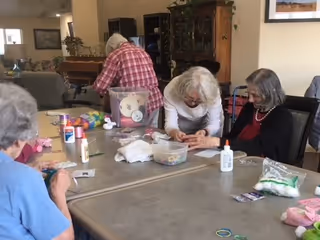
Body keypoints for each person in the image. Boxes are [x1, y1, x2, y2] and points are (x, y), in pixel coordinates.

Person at [0, 82, 74, 240]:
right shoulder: (21, 180)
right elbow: (64, 239)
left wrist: (25, 171)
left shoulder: (20, 177)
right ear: (18, 140)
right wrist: (58, 194)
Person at [184, 68, 293, 164]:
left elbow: (259, 147)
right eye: (248, 93)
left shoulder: (282, 117)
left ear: (270, 93)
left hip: (262, 165)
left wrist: (218, 142)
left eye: (255, 95)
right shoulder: (250, 107)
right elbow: (233, 135)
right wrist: (207, 138)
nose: (250, 99)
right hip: (238, 157)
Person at [93, 33, 163, 128]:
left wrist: (111, 91)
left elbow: (100, 87)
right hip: (154, 101)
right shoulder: (143, 51)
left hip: (132, 106)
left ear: (112, 48)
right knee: (151, 137)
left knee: (131, 139)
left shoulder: (115, 55)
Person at [164, 66, 223, 141]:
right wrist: (175, 132)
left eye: (199, 100)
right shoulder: (171, 90)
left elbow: (214, 122)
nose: (193, 103)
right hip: (182, 126)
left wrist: (205, 132)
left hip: (206, 127)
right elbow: (170, 123)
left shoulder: (212, 91)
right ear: (182, 92)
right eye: (190, 98)